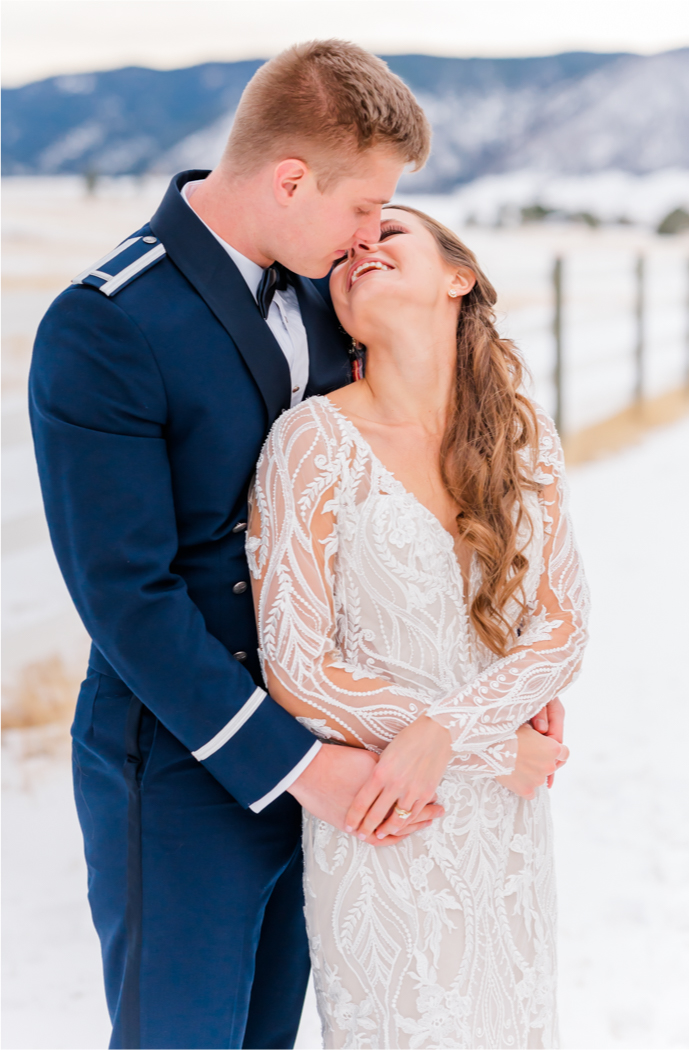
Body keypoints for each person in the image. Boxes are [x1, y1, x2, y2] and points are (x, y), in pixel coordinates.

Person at [30, 41, 538, 1048]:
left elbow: (421, 483)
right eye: (363, 209)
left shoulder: (329, 299)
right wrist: (299, 765)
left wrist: (510, 671)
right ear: (291, 178)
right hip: (185, 764)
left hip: (347, 746)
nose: (370, 238)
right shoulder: (105, 326)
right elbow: (127, 597)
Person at [248, 203, 585, 1047]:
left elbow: (561, 630)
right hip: (383, 814)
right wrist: (489, 746)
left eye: (389, 234)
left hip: (504, 826)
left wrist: (449, 732)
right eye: (346, 252)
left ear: (457, 278)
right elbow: (296, 665)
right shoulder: (310, 441)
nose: (361, 248)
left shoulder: (522, 439)